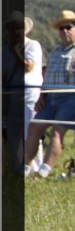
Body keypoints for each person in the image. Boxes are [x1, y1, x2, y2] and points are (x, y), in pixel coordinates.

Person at [24, 10, 75, 178]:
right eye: (62, 28)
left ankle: (44, 171)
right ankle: (25, 168)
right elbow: (47, 76)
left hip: (74, 97)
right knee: (34, 127)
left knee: (57, 131)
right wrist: (42, 96)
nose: (65, 30)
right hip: (51, 97)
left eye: (69, 27)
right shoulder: (56, 50)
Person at [2, 12, 43, 174]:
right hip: (12, 98)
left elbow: (28, 67)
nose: (16, 32)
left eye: (19, 28)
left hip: (30, 97)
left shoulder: (33, 45)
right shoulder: (4, 51)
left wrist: (16, 52)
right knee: (13, 135)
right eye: (12, 29)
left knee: (31, 132)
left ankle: (35, 167)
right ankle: (16, 167)